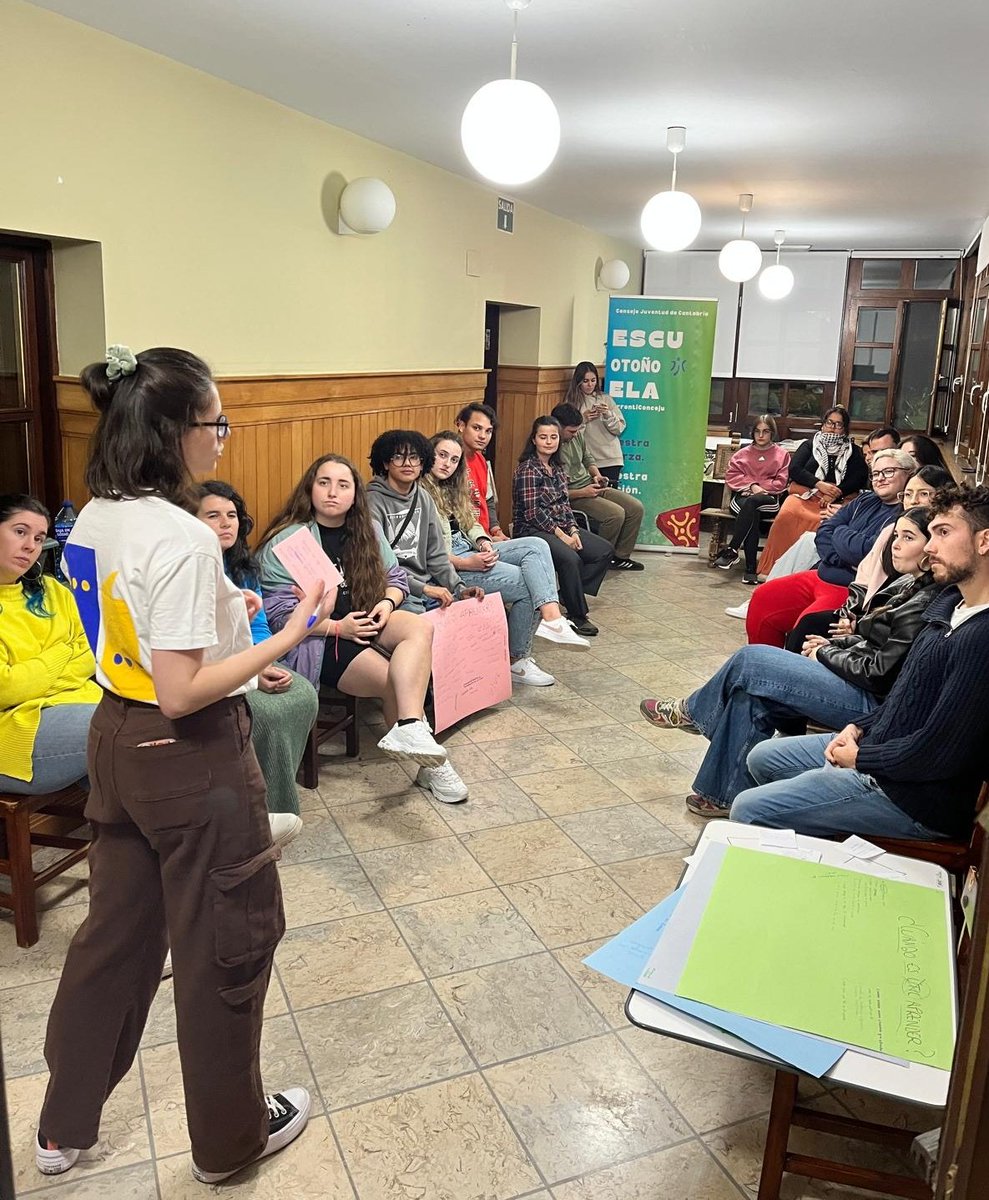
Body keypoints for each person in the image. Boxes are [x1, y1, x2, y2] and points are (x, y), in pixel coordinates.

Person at [37, 346, 334, 1184]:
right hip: (189, 756)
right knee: (226, 944)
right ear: (173, 430)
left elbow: (134, 636)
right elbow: (181, 690)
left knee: (115, 939)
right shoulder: (181, 534)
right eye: (215, 423)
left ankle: (62, 1128)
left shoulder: (99, 512)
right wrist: (286, 633)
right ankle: (231, 1139)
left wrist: (224, 608)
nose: (222, 439)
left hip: (115, 742)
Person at [731, 484, 989, 841]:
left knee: (748, 809)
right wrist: (859, 726)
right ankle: (812, 834)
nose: (930, 548)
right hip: (883, 755)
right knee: (763, 758)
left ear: (984, 542)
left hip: (913, 799)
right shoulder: (948, 607)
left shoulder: (980, 638)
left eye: (943, 533)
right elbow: (903, 696)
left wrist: (861, 759)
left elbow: (938, 752)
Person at [641, 507, 939, 817]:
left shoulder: (924, 599)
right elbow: (874, 642)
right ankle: (722, 795)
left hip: (870, 702)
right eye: (896, 536)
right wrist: (836, 644)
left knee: (751, 660)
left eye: (909, 537)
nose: (895, 544)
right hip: (856, 676)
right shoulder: (907, 584)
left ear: (932, 548)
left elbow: (880, 673)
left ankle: (693, 711)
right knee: (750, 694)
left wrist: (826, 653)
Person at [257, 454, 468, 803]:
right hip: (322, 637)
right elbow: (280, 616)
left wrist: (386, 605)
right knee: (393, 683)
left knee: (418, 628)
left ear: (355, 493)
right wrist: (338, 626)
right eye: (324, 483)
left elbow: (396, 578)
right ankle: (432, 768)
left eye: (343, 485)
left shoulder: (365, 529)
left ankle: (412, 726)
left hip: (367, 617)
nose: (332, 492)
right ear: (310, 488)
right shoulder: (288, 541)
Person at [423, 430, 588, 683]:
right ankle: (517, 660)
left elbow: (472, 523)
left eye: (454, 460)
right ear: (428, 456)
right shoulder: (420, 494)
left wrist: (484, 542)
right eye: (442, 456)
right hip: (451, 566)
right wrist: (466, 562)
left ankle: (552, 619)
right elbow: (426, 552)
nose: (447, 464)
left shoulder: (453, 487)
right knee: (530, 583)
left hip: (470, 550)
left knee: (536, 545)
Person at [196, 481, 319, 815]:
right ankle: (263, 811)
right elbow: (205, 646)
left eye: (232, 515)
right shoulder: (188, 570)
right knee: (264, 715)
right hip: (211, 674)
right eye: (213, 515)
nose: (226, 523)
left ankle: (269, 794)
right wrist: (252, 672)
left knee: (303, 694)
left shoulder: (243, 567)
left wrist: (264, 663)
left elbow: (259, 625)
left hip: (250, 662)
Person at [745, 447, 915, 647]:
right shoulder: (864, 500)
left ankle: (785, 673)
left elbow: (868, 552)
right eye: (876, 473)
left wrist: (840, 533)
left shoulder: (906, 514)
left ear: (908, 474)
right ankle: (764, 665)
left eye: (889, 472)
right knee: (762, 599)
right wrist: (842, 553)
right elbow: (824, 531)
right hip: (823, 573)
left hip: (850, 588)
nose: (880, 478)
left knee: (805, 628)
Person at [783, 465, 953, 647]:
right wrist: (848, 615)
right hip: (865, 612)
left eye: (924, 494)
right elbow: (864, 573)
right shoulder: (891, 528)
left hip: (882, 626)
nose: (913, 501)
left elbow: (899, 610)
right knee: (803, 622)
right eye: (908, 494)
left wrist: (859, 628)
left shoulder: (940, 545)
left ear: (943, 497)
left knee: (809, 629)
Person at [0, 495, 101, 795]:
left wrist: (37, 678)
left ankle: (136, 838)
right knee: (122, 731)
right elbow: (7, 690)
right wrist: (64, 652)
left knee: (144, 725)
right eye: (20, 532)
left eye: (39, 537)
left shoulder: (55, 591)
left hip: (77, 705)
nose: (31, 545)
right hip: (14, 730)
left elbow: (92, 654)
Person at [512, 417, 613, 637]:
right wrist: (563, 537)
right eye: (543, 437)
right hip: (532, 530)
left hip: (561, 527)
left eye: (553, 437)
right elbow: (533, 513)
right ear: (534, 440)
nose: (549, 442)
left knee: (603, 551)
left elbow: (564, 505)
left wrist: (574, 531)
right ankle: (577, 615)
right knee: (571, 559)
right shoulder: (528, 469)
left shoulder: (557, 467)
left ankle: (566, 592)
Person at [365, 429, 486, 614]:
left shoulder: (423, 497)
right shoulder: (372, 501)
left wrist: (458, 588)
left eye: (414, 458)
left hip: (426, 586)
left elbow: (436, 555)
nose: (407, 464)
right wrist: (424, 589)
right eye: (398, 457)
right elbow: (380, 565)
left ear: (423, 464)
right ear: (385, 463)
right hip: (392, 589)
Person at [756, 407, 868, 575]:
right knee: (787, 516)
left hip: (838, 499)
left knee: (825, 523)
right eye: (830, 423)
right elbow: (795, 469)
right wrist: (819, 485)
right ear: (823, 425)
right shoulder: (809, 445)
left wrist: (836, 493)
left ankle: (805, 571)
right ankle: (773, 568)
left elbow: (859, 477)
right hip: (805, 495)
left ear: (844, 429)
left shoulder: (853, 451)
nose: (833, 428)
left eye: (838, 425)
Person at [551, 402, 645, 571]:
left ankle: (620, 557)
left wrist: (596, 475)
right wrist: (583, 492)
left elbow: (587, 458)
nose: (575, 434)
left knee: (636, 508)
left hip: (589, 484)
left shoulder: (576, 435)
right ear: (558, 426)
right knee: (615, 515)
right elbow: (556, 494)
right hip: (573, 495)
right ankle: (598, 559)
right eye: (571, 431)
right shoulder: (551, 448)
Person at [711, 415, 790, 583]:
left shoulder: (782, 455)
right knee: (751, 511)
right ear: (752, 433)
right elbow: (732, 476)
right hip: (742, 498)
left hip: (768, 500)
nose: (761, 436)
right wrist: (752, 486)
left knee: (753, 504)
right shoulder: (742, 454)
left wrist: (760, 489)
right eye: (757, 431)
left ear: (772, 433)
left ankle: (733, 548)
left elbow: (781, 482)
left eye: (766, 431)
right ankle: (750, 571)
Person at [565, 361, 626, 485]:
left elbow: (619, 428)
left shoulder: (606, 398)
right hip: (587, 461)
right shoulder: (571, 403)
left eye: (593, 380)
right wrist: (583, 419)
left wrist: (608, 414)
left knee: (612, 499)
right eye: (585, 381)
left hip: (611, 458)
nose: (590, 385)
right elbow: (569, 436)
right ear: (578, 382)